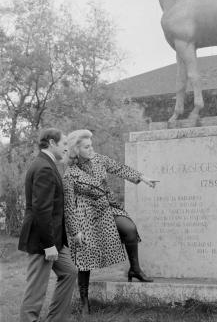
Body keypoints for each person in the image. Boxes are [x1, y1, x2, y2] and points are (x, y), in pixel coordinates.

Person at [63, 129, 158, 315]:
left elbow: (119, 168)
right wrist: (75, 231)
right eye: (86, 147)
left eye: (91, 145)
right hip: (85, 215)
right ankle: (83, 300)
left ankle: (135, 270)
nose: (91, 149)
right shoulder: (70, 174)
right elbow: (68, 206)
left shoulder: (99, 159)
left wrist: (142, 178)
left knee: (130, 229)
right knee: (84, 258)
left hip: (107, 207)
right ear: (76, 150)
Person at [18, 128, 78, 322]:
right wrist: (48, 245)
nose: (67, 149)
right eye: (64, 144)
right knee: (36, 288)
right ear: (52, 143)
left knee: (69, 272)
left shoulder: (47, 164)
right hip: (42, 239)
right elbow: (41, 210)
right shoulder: (43, 167)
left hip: (54, 238)